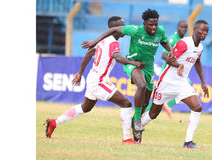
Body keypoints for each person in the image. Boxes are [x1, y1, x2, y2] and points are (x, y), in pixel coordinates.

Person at [44, 16, 145, 144]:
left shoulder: (102, 41)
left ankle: (54, 122)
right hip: (99, 81)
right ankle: (127, 139)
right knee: (126, 104)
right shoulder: (113, 42)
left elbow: (88, 54)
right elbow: (118, 57)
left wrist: (80, 73)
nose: (123, 29)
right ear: (115, 29)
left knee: (85, 107)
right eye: (121, 26)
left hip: (93, 77)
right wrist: (133, 62)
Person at [81, 9, 174, 143]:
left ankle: (135, 124)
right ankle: (137, 122)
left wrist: (170, 50)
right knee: (141, 86)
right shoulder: (135, 30)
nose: (153, 27)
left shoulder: (160, 31)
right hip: (133, 64)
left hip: (148, 67)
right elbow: (113, 30)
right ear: (144, 23)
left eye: (155, 24)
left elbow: (164, 41)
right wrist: (94, 41)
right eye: (150, 25)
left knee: (146, 102)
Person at [140, 20, 210, 149]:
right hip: (166, 82)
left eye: (206, 31)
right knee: (153, 114)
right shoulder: (184, 43)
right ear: (194, 29)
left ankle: (188, 142)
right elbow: (169, 59)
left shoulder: (200, 47)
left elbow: (197, 61)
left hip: (181, 83)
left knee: (197, 107)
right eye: (202, 30)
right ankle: (137, 127)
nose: (204, 33)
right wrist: (178, 65)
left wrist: (203, 82)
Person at [145, 20, 188, 119]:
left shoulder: (185, 40)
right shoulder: (173, 39)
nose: (183, 29)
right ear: (177, 27)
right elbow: (164, 55)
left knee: (189, 87)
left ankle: (168, 105)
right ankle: (143, 114)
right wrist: (177, 64)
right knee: (158, 98)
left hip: (178, 73)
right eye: (181, 27)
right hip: (168, 72)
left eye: (185, 27)